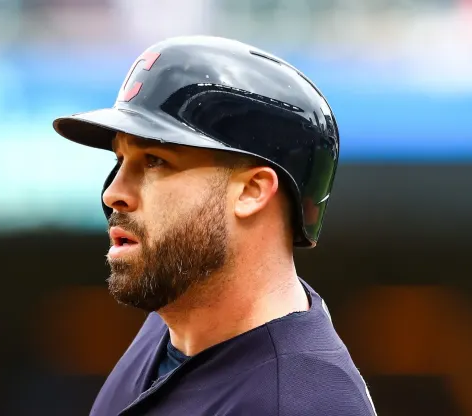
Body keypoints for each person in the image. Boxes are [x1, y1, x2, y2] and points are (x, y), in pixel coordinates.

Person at [52, 35, 377, 416]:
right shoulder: (176, 321)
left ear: (252, 191)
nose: (114, 193)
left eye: (155, 160)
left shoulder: (300, 404)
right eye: (121, 158)